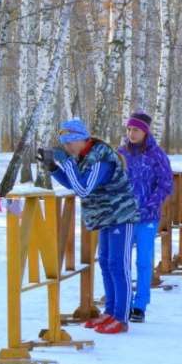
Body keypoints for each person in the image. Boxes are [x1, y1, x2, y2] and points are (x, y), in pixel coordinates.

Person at [39, 118, 141, 334]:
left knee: (118, 264)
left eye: (70, 143)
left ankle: (121, 318)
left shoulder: (100, 158)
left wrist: (66, 162)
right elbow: (75, 183)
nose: (67, 148)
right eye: (64, 144)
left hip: (120, 215)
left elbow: (83, 189)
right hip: (105, 216)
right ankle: (110, 312)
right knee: (105, 263)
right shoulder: (83, 157)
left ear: (82, 139)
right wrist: (54, 169)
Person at [117, 111, 173, 324]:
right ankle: (123, 302)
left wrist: (151, 204)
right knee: (121, 262)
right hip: (123, 217)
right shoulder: (121, 154)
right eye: (129, 129)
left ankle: (140, 305)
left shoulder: (156, 154)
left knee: (142, 261)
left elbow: (166, 183)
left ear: (145, 131)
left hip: (147, 217)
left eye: (136, 130)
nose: (132, 133)